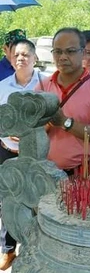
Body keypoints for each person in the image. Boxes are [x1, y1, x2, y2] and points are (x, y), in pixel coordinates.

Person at [36, 27, 90, 171]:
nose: (63, 57)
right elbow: (31, 129)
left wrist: (65, 122)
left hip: (81, 175)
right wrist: (44, 123)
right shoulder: (42, 86)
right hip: (43, 172)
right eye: (57, 51)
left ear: (82, 52)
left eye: (70, 51)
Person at [0, 39, 42, 270]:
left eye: (25, 54)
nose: (20, 59)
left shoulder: (46, 84)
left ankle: (34, 248)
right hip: (7, 151)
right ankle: (8, 250)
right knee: (9, 201)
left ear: (35, 58)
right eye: (16, 55)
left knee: (36, 201)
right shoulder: (3, 85)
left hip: (36, 154)